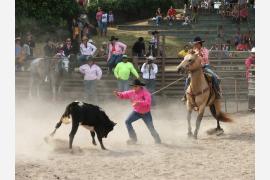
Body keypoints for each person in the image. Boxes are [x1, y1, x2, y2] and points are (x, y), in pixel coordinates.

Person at [113, 79, 161, 145]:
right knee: (127, 121)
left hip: (146, 113)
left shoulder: (146, 93)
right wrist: (118, 94)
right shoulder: (131, 92)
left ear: (140, 86)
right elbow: (123, 95)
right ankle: (133, 138)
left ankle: (158, 140)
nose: (134, 88)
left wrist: (138, 102)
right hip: (137, 112)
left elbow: (148, 103)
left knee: (151, 127)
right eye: (133, 86)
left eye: (136, 86)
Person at [182, 36, 221, 101]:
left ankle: (217, 92)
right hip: (195, 69)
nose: (195, 45)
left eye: (196, 44)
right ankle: (185, 95)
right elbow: (188, 59)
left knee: (214, 77)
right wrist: (190, 54)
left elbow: (205, 58)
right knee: (188, 79)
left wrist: (199, 54)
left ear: (200, 44)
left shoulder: (205, 50)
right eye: (194, 44)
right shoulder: (193, 51)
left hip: (205, 67)